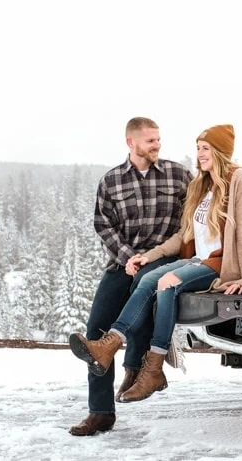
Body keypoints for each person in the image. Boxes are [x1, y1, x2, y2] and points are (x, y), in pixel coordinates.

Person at [69, 123, 242, 406]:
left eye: (205, 148)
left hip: (213, 263)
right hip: (157, 261)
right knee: (141, 286)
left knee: (159, 282)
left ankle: (147, 367)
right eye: (198, 148)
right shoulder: (199, 184)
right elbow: (181, 234)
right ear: (130, 142)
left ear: (220, 152)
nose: (199, 154)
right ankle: (105, 373)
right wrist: (143, 256)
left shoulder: (214, 177)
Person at [69, 117, 193, 436]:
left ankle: (136, 367)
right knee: (95, 333)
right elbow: (103, 225)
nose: (157, 145)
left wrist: (157, 255)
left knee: (145, 285)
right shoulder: (111, 181)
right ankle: (100, 412)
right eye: (150, 140)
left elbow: (192, 218)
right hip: (122, 263)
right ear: (131, 142)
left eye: (158, 139)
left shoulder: (179, 175)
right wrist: (127, 258)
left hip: (162, 258)